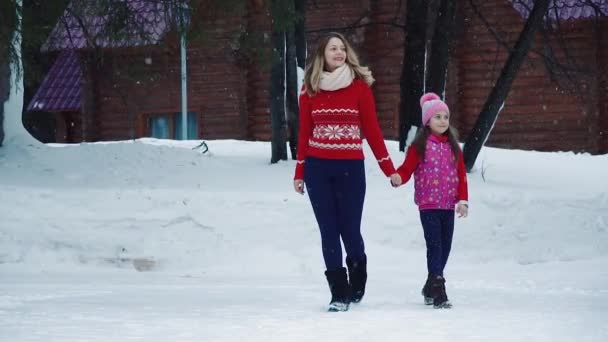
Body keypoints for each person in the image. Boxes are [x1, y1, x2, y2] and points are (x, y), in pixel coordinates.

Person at [293, 32, 401, 312]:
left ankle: (358, 272)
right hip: (318, 168)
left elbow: (373, 131)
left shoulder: (359, 87)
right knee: (328, 230)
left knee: (350, 230)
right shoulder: (309, 89)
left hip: (350, 168)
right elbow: (304, 133)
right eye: (333, 48)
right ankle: (338, 292)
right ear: (322, 55)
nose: (339, 52)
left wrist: (389, 168)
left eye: (342, 48)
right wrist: (299, 171)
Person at [391, 92, 469, 309]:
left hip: (447, 205)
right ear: (427, 121)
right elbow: (407, 169)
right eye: (438, 117)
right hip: (428, 205)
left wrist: (462, 200)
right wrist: (398, 177)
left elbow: (461, 175)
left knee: (445, 247)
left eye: (445, 117)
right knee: (435, 246)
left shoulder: (454, 148)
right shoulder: (420, 146)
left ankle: (430, 283)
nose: (443, 121)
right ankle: (438, 289)